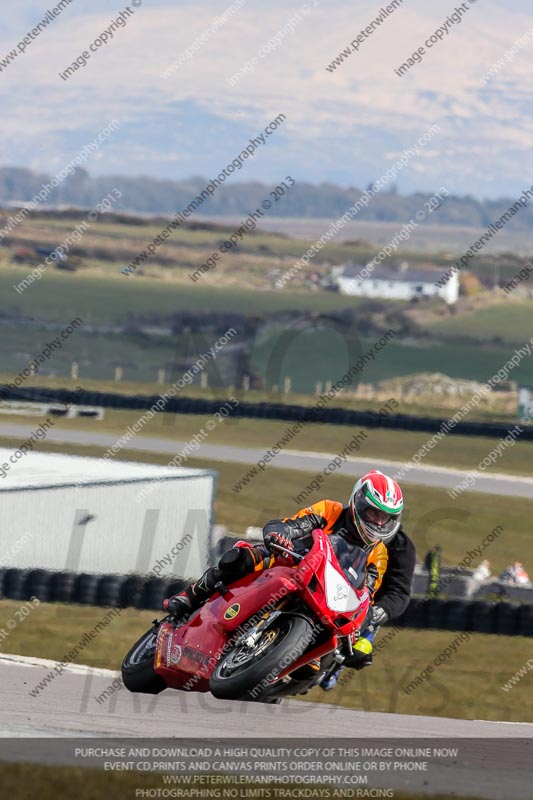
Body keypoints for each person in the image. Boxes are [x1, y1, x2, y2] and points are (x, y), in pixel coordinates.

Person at [164, 469, 416, 682]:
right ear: (358, 502)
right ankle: (191, 594)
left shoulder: (379, 554)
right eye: (373, 513)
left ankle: (272, 669)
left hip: (326, 596)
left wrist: (360, 628)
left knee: (320, 658)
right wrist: (280, 534)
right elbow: (294, 524)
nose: (378, 522)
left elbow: (366, 594)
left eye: (385, 517)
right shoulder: (331, 510)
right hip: (291, 561)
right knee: (241, 558)